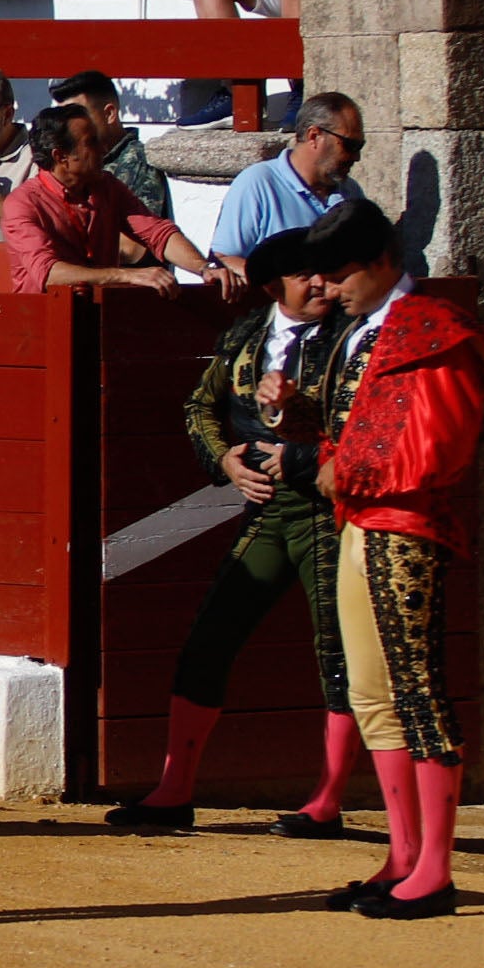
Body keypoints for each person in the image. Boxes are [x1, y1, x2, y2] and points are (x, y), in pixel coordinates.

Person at [106, 216, 372, 841]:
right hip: (268, 511)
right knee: (210, 639)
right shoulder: (249, 336)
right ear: (274, 285)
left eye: (325, 272)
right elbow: (200, 404)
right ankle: (174, 793)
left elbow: (360, 425)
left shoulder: (349, 339)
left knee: (340, 654)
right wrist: (223, 458)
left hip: (329, 512)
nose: (321, 282)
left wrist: (301, 442)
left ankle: (328, 802)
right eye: (306, 273)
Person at [309, 194, 484, 919]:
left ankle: (437, 868)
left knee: (419, 691)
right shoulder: (365, 331)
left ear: (385, 262)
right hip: (360, 521)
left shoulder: (435, 329)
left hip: (409, 526)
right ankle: (403, 853)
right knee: (370, 691)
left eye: (344, 273)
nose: (331, 287)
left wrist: (351, 470)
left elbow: (442, 442)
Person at [1, 101, 229, 293]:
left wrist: (204, 268)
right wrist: (128, 276)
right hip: (44, 329)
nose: (103, 149)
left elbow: (157, 232)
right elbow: (49, 273)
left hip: (103, 320)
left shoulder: (106, 186)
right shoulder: (23, 204)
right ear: (61, 156)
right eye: (91, 143)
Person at [211, 92, 368, 266]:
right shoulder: (259, 183)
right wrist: (279, 285)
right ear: (314, 136)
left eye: (360, 146)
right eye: (350, 145)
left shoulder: (351, 191)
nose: (357, 157)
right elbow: (223, 259)